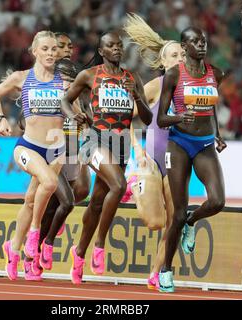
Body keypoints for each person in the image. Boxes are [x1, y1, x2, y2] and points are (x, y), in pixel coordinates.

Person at [61, 30, 153, 285]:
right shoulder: (89, 75)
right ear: (101, 51)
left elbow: (147, 118)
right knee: (120, 185)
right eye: (110, 46)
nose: (116, 49)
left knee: (97, 203)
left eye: (119, 45)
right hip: (95, 140)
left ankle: (78, 253)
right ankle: (100, 244)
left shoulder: (132, 78)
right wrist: (74, 115)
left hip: (121, 144)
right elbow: (65, 101)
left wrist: (135, 95)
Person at [0, 31, 68, 281]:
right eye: (45, 49)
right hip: (28, 147)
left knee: (32, 201)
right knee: (50, 183)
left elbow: (77, 111)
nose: (50, 53)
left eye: (54, 49)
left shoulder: (65, 82)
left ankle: (13, 250)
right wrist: (0, 118)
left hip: (57, 149)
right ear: (34, 51)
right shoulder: (21, 78)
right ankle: (34, 234)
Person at [157, 27, 227, 293]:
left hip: (205, 143)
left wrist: (218, 134)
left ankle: (192, 220)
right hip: (179, 144)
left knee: (218, 201)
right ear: (184, 48)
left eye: (204, 40)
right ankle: (166, 269)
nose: (201, 44)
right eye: (195, 41)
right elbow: (161, 119)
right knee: (175, 213)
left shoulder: (215, 73)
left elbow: (212, 106)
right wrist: (178, 118)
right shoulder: (174, 74)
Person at [123, 13, 186, 290]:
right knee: (154, 222)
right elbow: (125, 119)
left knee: (174, 222)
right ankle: (132, 180)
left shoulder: (194, 90)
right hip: (152, 160)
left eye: (183, 54)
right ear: (163, 62)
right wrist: (136, 149)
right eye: (174, 55)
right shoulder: (154, 87)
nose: (180, 59)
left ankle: (156, 273)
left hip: (178, 163)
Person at [37, 32, 92, 274]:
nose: (67, 49)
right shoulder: (42, 82)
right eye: (60, 46)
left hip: (70, 150)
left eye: (70, 46)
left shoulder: (77, 89)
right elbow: (24, 122)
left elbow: (90, 119)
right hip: (47, 153)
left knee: (78, 192)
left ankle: (37, 246)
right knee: (60, 202)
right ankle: (33, 248)